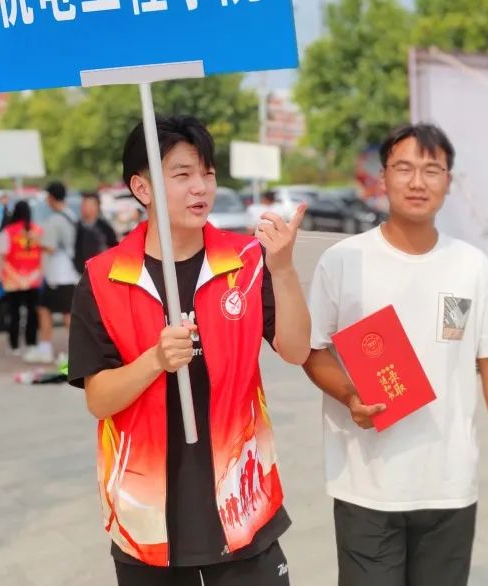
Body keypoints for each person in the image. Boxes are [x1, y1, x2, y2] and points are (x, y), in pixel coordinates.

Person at [68, 115, 311, 584]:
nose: (200, 187)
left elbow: (296, 349)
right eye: (181, 174)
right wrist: (155, 361)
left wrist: (282, 269)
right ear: (141, 188)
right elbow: (98, 399)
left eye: (208, 173)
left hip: (243, 508)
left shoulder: (245, 262)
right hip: (147, 521)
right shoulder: (103, 278)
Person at [303, 122, 488, 586]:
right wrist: (349, 395)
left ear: (449, 181)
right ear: (382, 177)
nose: (417, 181)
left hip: (448, 484)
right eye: (403, 168)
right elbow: (313, 350)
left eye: (432, 170)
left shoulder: (474, 268)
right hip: (366, 485)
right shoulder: (343, 261)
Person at [25, 181, 78, 364]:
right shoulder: (71, 215)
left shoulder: (55, 220)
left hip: (59, 275)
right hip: (71, 273)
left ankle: (67, 353)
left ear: (50, 198)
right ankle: (50, 349)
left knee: (63, 313)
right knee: (49, 309)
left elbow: (50, 247)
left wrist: (35, 240)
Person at [0, 201, 43, 356]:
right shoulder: (37, 230)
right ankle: (32, 343)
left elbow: (3, 255)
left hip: (13, 279)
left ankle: (14, 345)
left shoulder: (8, 231)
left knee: (14, 312)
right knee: (32, 312)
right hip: (33, 278)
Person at [74, 191, 119, 273]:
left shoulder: (105, 228)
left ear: (96, 207)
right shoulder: (76, 227)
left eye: (88, 205)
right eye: (83, 204)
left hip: (100, 272)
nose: (84, 207)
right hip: (79, 273)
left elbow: (114, 248)